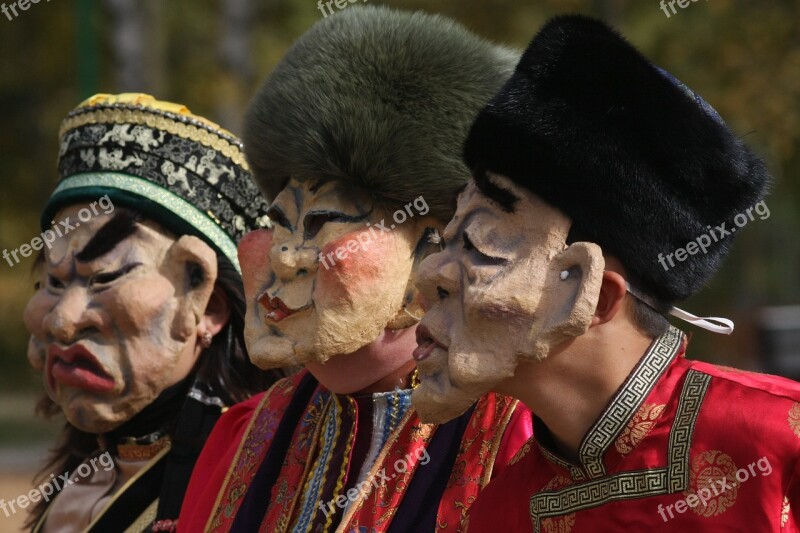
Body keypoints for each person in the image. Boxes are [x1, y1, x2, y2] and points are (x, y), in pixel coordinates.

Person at [412, 15, 799, 532]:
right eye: (445, 241)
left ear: (592, 296)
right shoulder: (497, 515)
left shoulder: (779, 443)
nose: (430, 273)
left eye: (478, 245)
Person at [178, 7, 533, 532]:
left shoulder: (523, 438)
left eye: (323, 222)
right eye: (279, 221)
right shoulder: (240, 439)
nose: (283, 255)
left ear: (436, 255)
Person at [22, 93, 283, 532]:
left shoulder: (252, 480)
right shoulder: (89, 472)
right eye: (54, 281)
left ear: (206, 303)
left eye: (105, 278)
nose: (62, 321)